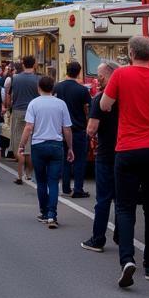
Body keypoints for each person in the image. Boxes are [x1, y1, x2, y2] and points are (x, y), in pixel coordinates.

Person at [100, 36, 149, 289]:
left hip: (128, 149)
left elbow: (105, 105)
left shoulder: (121, 76)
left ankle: (127, 260)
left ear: (131, 53)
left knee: (125, 207)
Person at [18, 76, 73, 229]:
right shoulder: (61, 104)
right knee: (53, 182)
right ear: (53, 88)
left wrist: (22, 145)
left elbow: (29, 127)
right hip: (56, 145)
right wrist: (70, 148)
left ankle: (43, 211)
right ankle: (52, 215)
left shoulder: (34, 104)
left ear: (39, 88)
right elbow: (66, 129)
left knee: (41, 181)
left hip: (38, 145)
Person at [82, 62, 119, 254]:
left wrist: (90, 135)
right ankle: (121, 233)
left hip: (105, 154)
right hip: (124, 151)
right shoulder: (127, 97)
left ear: (105, 77)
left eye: (99, 76)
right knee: (122, 198)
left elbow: (91, 129)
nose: (98, 79)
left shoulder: (100, 99)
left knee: (103, 199)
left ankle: (98, 238)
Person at [55, 60, 92, 199]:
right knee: (79, 160)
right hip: (78, 129)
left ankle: (65, 187)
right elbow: (87, 109)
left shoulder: (57, 87)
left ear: (67, 71)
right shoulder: (82, 90)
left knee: (64, 159)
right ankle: (78, 188)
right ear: (79, 72)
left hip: (61, 129)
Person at [5, 57, 40, 185]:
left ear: (23, 64)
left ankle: (19, 175)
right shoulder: (38, 79)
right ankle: (29, 173)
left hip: (18, 111)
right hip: (33, 112)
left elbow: (9, 96)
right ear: (34, 64)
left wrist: (8, 107)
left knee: (18, 143)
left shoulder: (16, 78)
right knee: (30, 144)